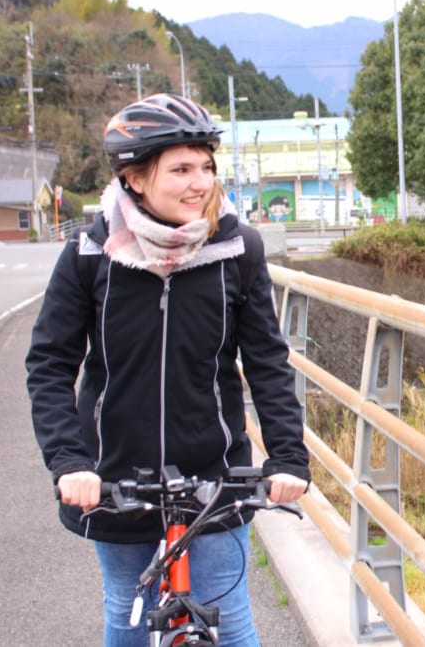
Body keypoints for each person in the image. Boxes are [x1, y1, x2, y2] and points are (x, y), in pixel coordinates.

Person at [25, 93, 310, 647]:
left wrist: (288, 456)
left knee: (228, 622)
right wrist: (69, 461)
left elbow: (268, 364)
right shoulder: (90, 254)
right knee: (126, 616)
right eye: (180, 169)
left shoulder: (237, 249)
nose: (199, 182)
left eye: (206, 167)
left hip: (214, 478)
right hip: (114, 479)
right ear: (134, 178)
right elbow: (50, 363)